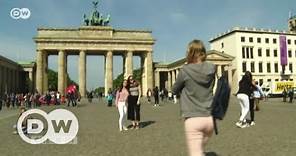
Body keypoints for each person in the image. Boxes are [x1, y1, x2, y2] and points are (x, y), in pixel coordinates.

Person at [172, 39, 216, 156]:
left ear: (190, 52)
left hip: (193, 118)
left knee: (196, 153)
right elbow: (211, 86)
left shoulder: (185, 70)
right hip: (210, 119)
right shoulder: (212, 68)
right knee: (199, 150)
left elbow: (174, 90)